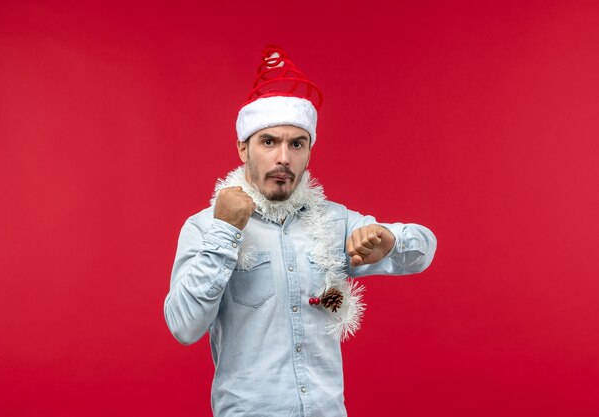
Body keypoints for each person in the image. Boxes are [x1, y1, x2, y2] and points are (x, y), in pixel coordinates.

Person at [164, 45, 437, 417]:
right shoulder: (204, 227)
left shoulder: (334, 221)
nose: (283, 158)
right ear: (243, 149)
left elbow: (424, 251)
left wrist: (389, 240)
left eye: (297, 143)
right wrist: (225, 231)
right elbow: (183, 326)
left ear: (309, 150)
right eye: (269, 142)